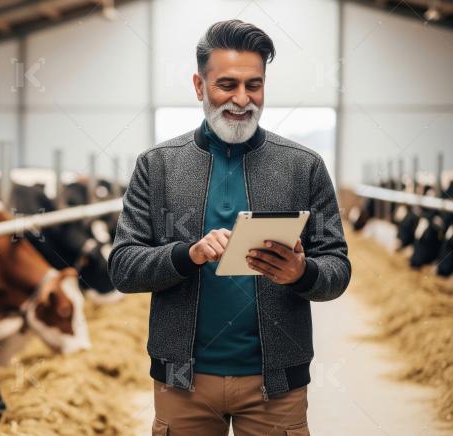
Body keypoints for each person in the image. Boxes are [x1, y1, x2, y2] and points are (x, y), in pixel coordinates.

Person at [108, 19, 351, 436]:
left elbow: (338, 270)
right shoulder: (158, 165)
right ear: (199, 86)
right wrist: (188, 255)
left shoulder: (303, 167)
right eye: (227, 84)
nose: (242, 99)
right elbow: (123, 268)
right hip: (181, 383)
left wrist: (302, 273)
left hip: (277, 383)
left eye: (254, 85)